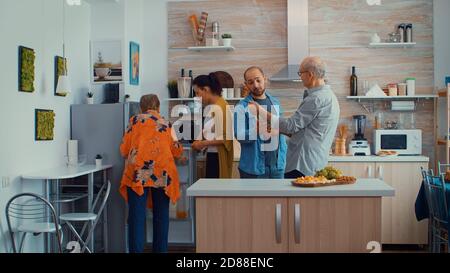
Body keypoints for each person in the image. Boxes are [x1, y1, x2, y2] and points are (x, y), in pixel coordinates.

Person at [251, 57, 340, 178]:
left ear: (310, 74)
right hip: (313, 162)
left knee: (296, 197)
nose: (300, 77)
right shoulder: (329, 96)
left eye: (300, 73)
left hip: (302, 164)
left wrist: (260, 111)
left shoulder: (316, 99)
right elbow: (306, 131)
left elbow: (290, 126)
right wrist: (274, 131)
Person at [119, 94, 183, 253]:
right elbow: (176, 150)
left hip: (139, 172)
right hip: (162, 172)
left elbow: (124, 150)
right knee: (161, 216)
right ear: (158, 107)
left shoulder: (134, 121)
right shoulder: (166, 123)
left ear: (141, 107)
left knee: (136, 217)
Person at [234, 66, 287, 179]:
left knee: (278, 197)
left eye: (258, 80)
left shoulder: (275, 102)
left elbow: (281, 127)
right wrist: (255, 131)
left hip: (277, 167)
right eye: (251, 82)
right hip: (253, 169)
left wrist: (277, 130)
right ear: (246, 84)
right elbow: (239, 135)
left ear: (265, 79)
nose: (256, 85)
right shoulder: (241, 106)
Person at [191, 73, 234, 179]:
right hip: (213, 155)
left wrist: (203, 143)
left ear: (206, 89)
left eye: (197, 93)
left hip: (218, 158)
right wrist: (200, 141)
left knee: (216, 193)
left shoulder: (221, 107)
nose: (196, 97)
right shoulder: (213, 107)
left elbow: (226, 138)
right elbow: (211, 131)